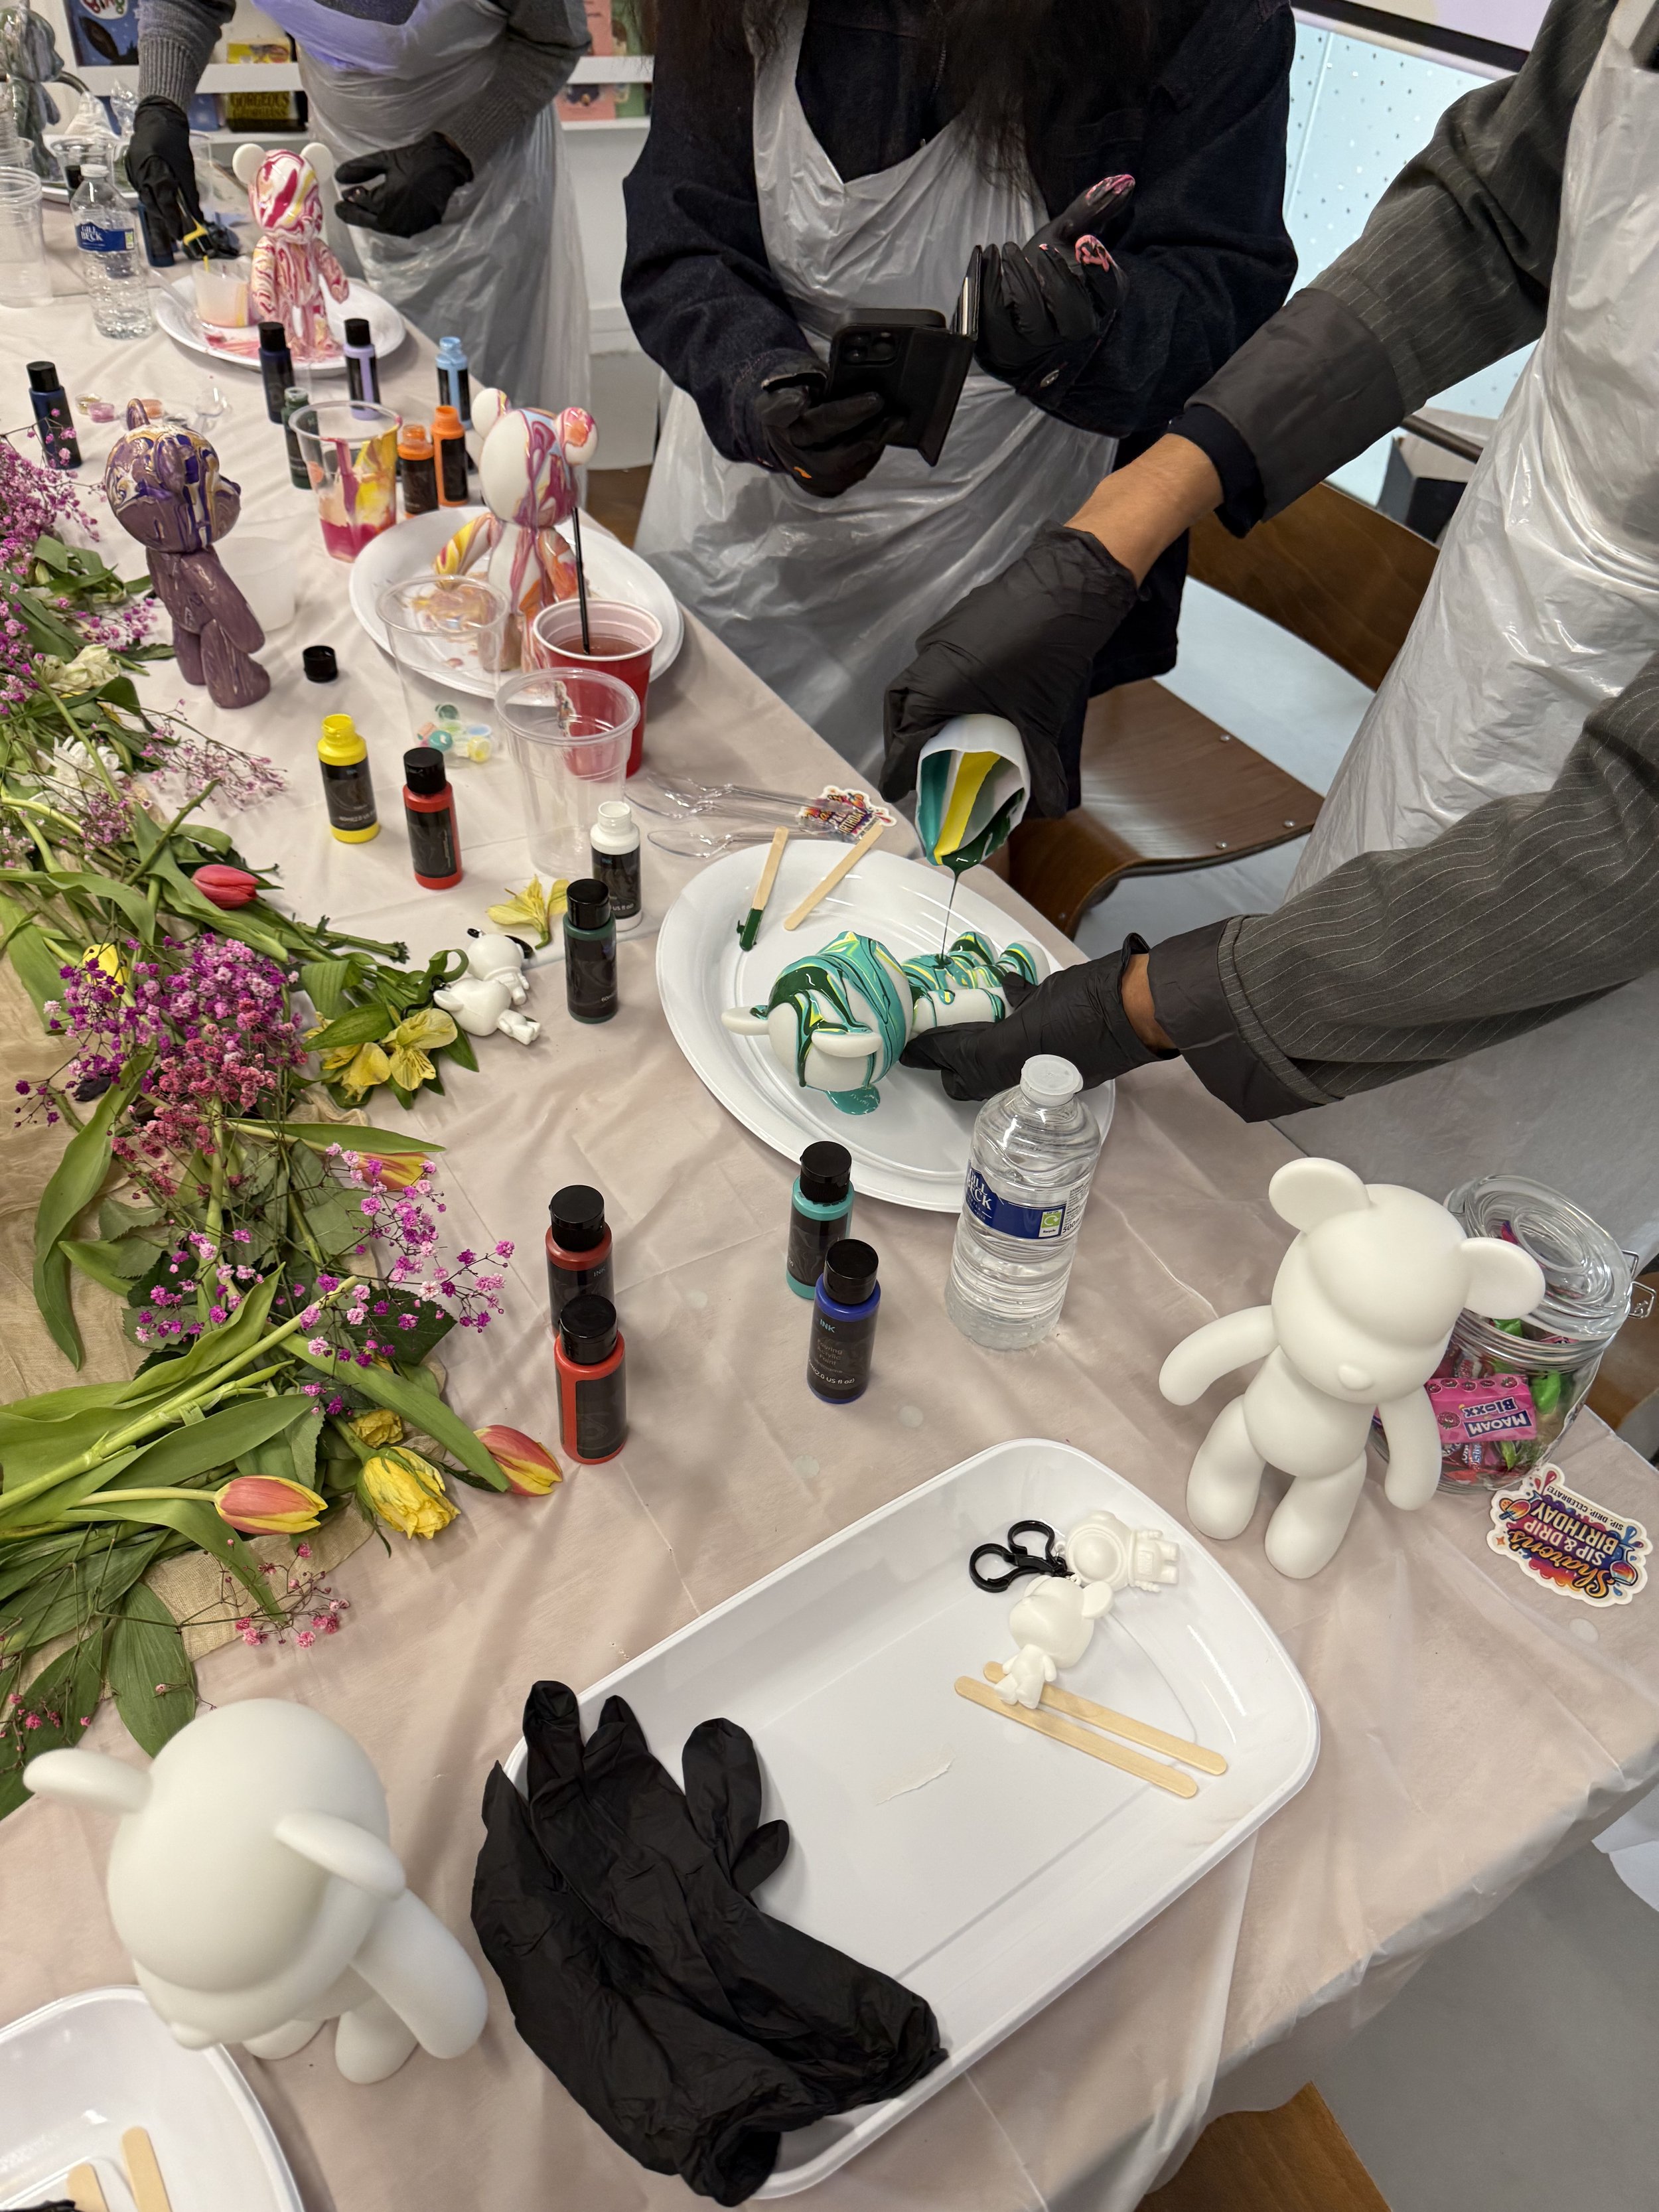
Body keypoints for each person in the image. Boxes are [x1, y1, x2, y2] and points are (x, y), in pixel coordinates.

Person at [887, 0, 1659, 1256]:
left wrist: (1150, 1001)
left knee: (1463, 1266)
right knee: (1305, 1192)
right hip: (1506, 609)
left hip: (1616, 880)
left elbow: (1629, 850)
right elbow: (1490, 215)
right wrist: (1112, 535)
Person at [621, 0, 1297, 774]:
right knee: (683, 778)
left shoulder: (1202, 18)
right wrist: (755, 381)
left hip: (1003, 516)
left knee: (925, 851)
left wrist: (1092, 322)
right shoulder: (727, 14)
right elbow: (682, 232)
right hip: (743, 505)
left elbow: (1222, 287)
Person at [127, 0, 591, 409]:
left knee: (476, 408)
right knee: (355, 381)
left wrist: (456, 151)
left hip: (486, 188)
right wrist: (161, 104)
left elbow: (553, 42)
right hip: (340, 162)